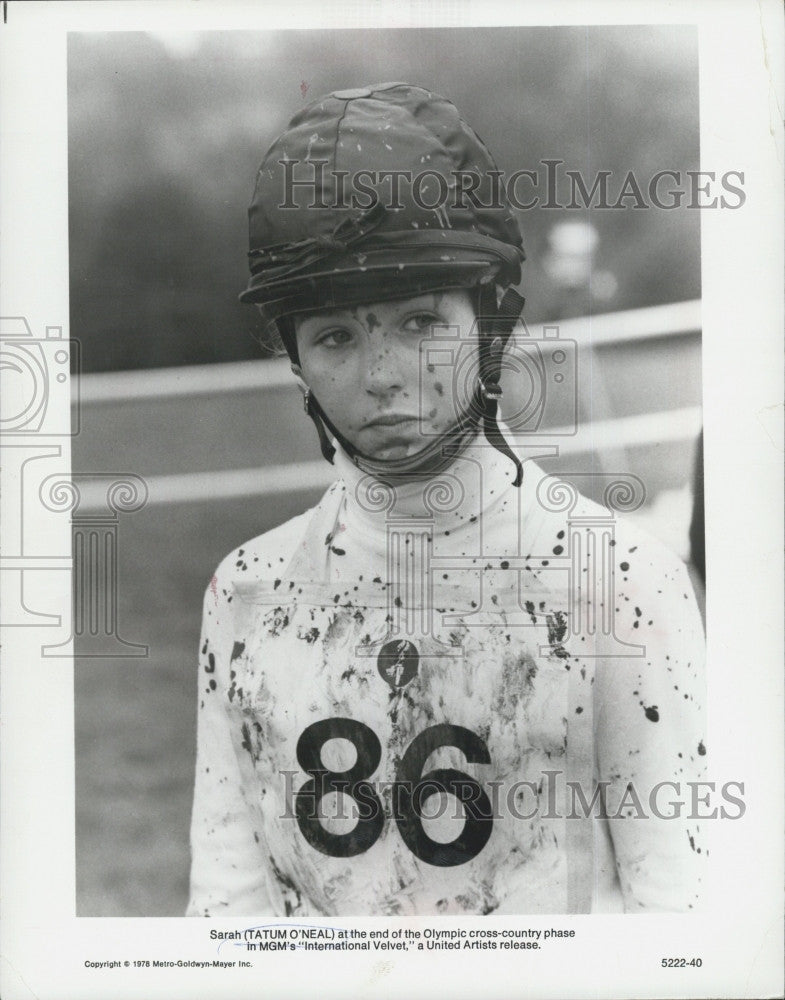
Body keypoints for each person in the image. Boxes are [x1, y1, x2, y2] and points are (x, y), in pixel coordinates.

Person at [187, 83, 706, 917]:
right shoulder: (246, 591)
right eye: (335, 337)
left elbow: (680, 909)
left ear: (490, 324)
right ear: (295, 363)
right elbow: (228, 907)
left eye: (420, 323)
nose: (383, 375)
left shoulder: (620, 578)